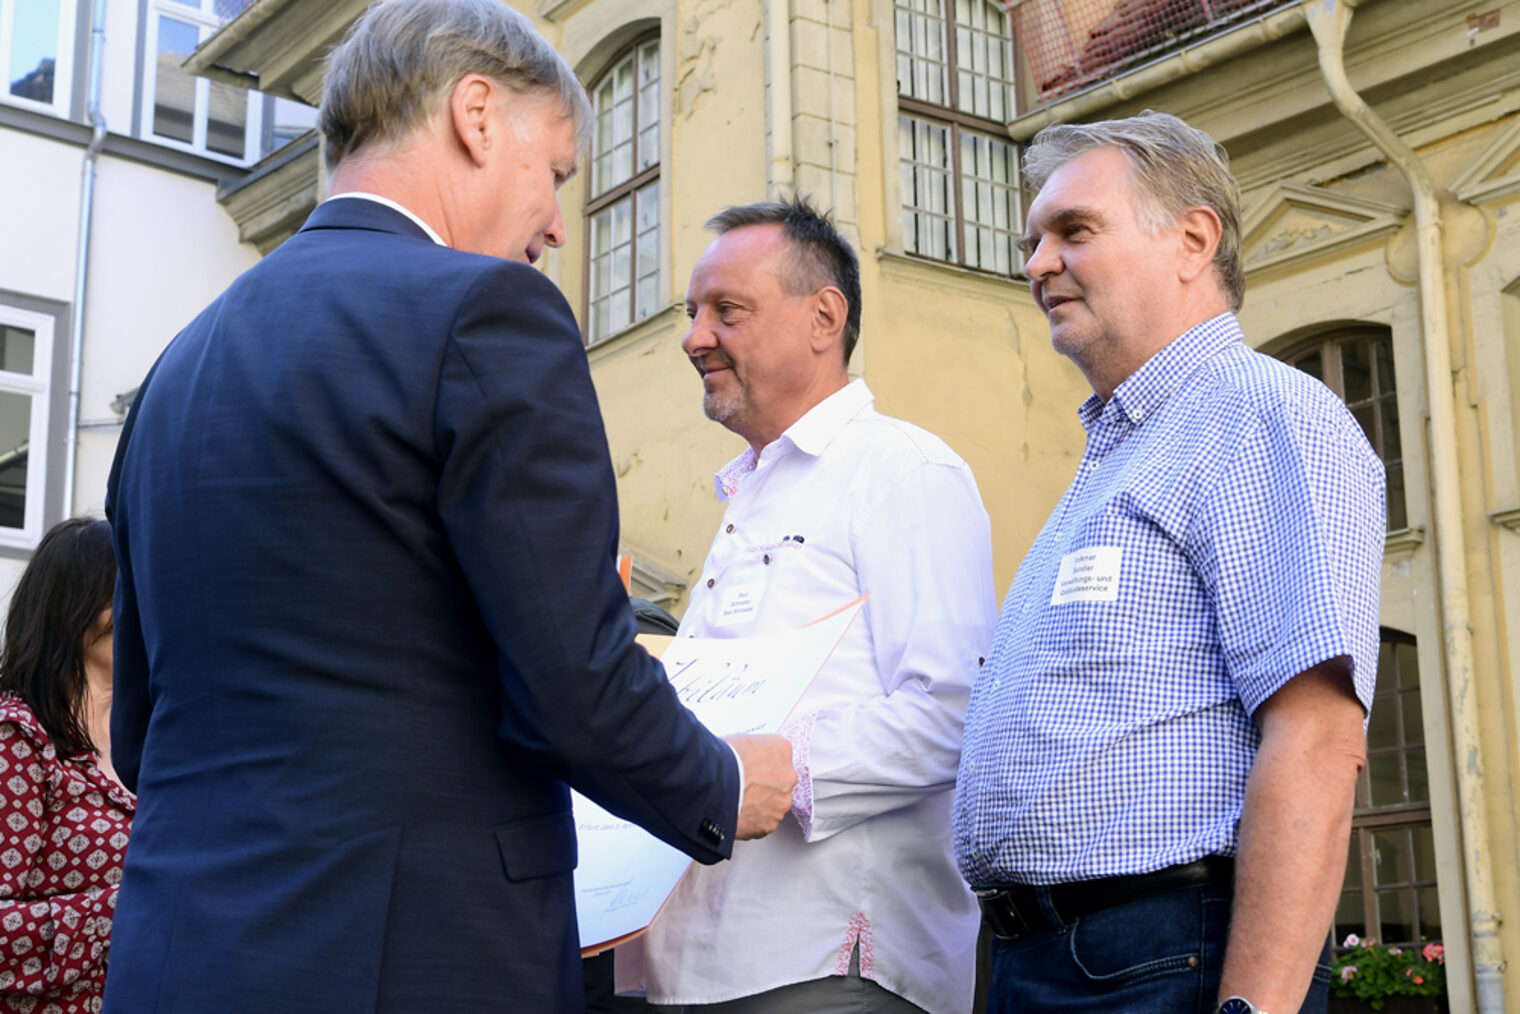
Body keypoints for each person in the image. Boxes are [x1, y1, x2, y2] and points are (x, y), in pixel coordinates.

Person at [101, 2, 794, 1011]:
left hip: (178, 958)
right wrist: (722, 785)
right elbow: (573, 684)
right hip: (409, 958)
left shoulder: (177, 369)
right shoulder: (484, 313)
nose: (559, 223)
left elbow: (142, 729)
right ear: (476, 115)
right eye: (554, 171)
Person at [953, 111, 1385, 1014]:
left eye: (1074, 231)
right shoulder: (1125, 454)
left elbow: (1316, 740)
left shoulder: (1260, 417)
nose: (1036, 264)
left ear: (1193, 239)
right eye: (1032, 240)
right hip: (1058, 961)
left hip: (1160, 958)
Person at [644, 197, 996, 1014]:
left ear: (822, 318)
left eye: (727, 310)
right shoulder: (747, 498)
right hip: (700, 960)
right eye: (694, 313)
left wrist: (781, 767)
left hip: (829, 959)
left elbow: (955, 714)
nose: (696, 337)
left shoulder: (903, 470)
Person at [0, 518, 131, 1014]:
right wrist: (126, 908)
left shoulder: (150, 739)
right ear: (69, 607)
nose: (140, 615)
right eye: (122, 596)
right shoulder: (17, 739)